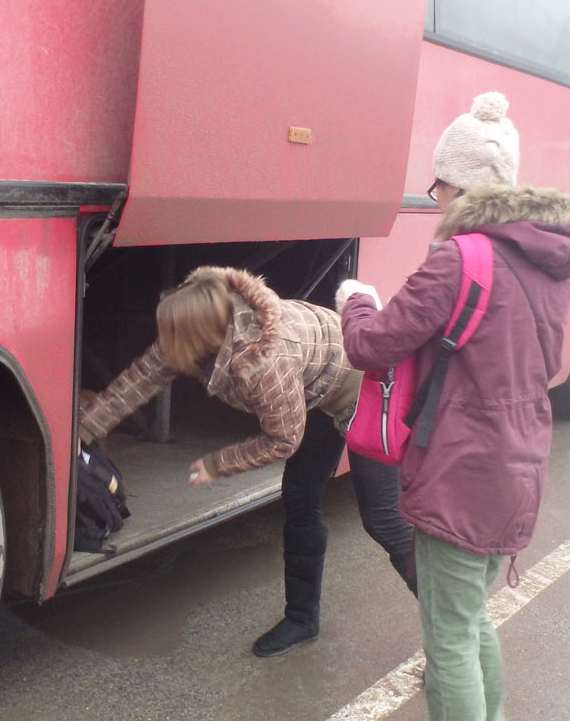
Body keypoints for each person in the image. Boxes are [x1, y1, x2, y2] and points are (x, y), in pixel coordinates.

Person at [337, 92, 570, 721]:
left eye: (438, 185)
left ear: (462, 187)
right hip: (520, 464)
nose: (435, 199)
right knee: (470, 615)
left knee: (448, 635)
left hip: (462, 469)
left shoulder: (459, 258)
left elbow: (369, 347)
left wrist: (356, 298)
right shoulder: (552, 264)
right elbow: (546, 363)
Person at [78, 265, 418, 658]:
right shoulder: (198, 328)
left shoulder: (264, 359)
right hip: (314, 389)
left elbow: (283, 440)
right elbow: (140, 379)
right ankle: (301, 620)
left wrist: (218, 464)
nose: (164, 342)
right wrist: (83, 433)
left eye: (172, 335)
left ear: (202, 335)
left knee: (383, 520)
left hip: (364, 386)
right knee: (299, 499)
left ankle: (451, 634)